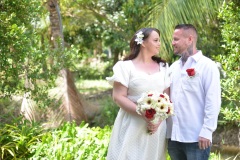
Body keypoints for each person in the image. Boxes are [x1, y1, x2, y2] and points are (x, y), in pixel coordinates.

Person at [106, 28, 170, 160]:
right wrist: (144, 114)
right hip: (132, 123)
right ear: (143, 43)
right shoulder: (125, 67)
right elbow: (118, 96)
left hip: (156, 127)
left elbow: (168, 99)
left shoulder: (163, 67)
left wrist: (158, 120)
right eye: (156, 40)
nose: (159, 44)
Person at [167, 24, 221, 160]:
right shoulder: (173, 68)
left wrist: (207, 131)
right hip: (174, 137)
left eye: (176, 39)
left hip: (196, 138)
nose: (172, 43)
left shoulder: (207, 66)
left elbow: (213, 100)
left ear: (190, 39)